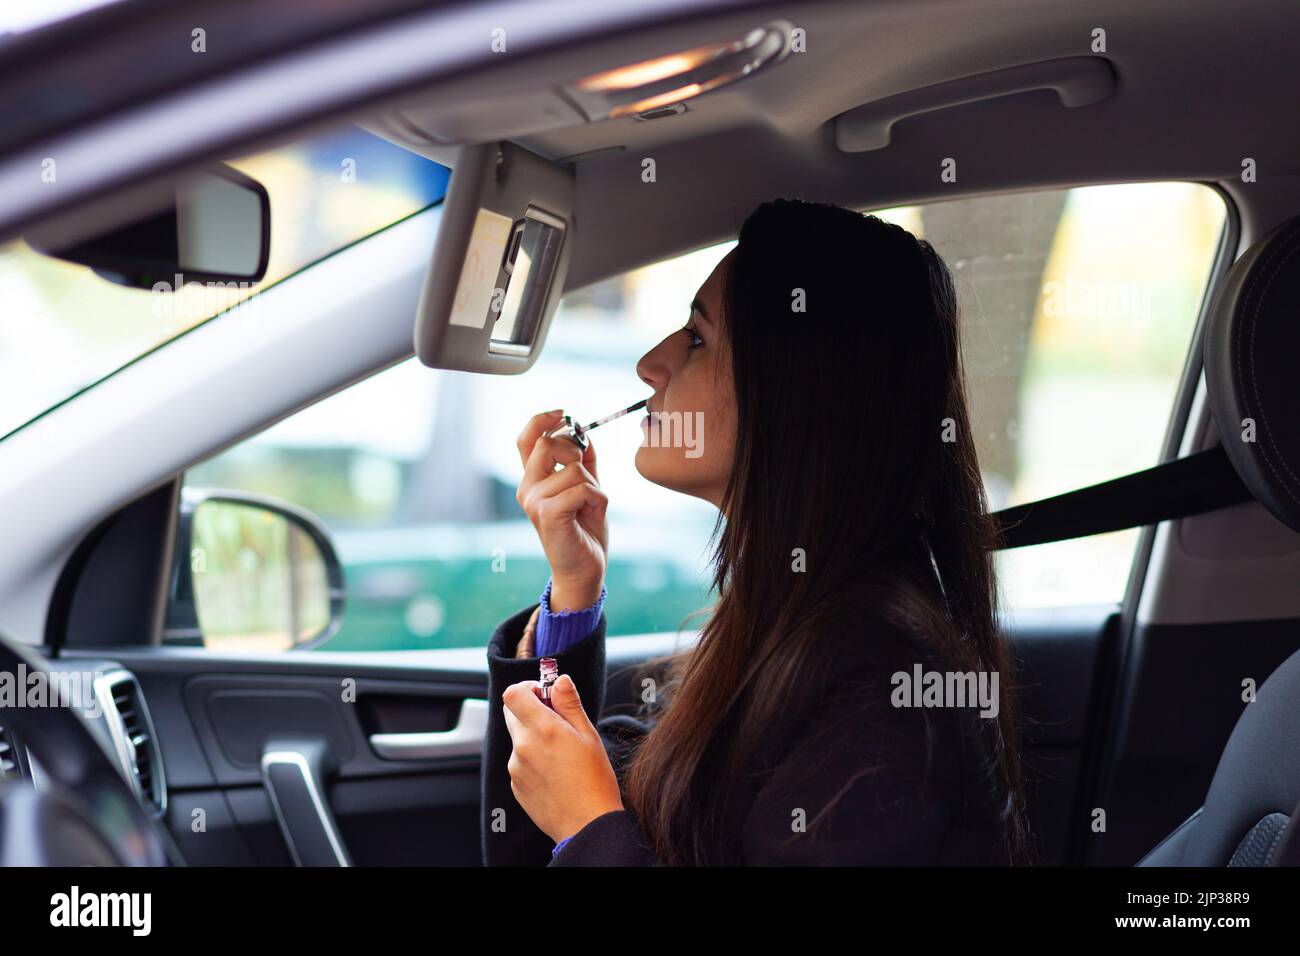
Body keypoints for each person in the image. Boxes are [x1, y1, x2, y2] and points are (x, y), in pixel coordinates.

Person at [481, 198, 1030, 866]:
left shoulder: (887, 704)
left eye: (698, 339)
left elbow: (595, 829)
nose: (650, 363)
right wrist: (574, 588)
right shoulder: (787, 617)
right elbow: (548, 841)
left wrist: (591, 824)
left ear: (799, 394)